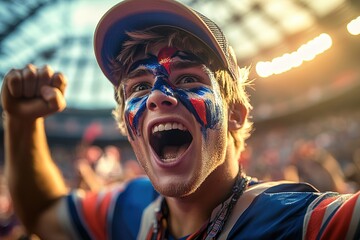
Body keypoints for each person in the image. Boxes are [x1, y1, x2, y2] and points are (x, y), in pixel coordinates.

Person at [1, 0, 360, 239]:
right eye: (139, 87)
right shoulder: (127, 208)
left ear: (235, 114)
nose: (157, 95)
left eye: (188, 79)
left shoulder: (299, 222)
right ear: (130, 127)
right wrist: (21, 122)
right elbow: (42, 213)